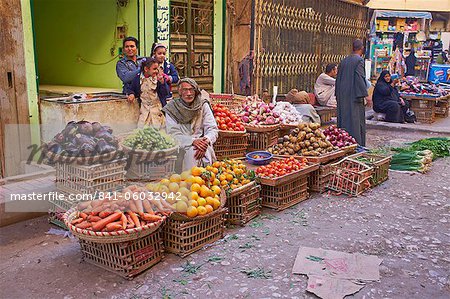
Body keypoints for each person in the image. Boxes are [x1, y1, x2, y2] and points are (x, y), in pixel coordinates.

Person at [162, 78, 218, 171]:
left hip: (202, 143)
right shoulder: (172, 108)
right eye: (185, 90)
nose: (189, 93)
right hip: (181, 145)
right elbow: (172, 134)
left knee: (207, 155)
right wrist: (192, 141)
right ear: (180, 92)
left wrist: (206, 140)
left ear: (196, 91)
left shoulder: (203, 105)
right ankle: (191, 181)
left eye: (191, 89)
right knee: (192, 153)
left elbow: (212, 128)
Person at [335, 39, 369, 146]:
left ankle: (342, 142)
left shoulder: (344, 61)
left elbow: (338, 79)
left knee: (344, 119)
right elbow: (359, 78)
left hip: (343, 94)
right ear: (362, 48)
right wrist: (365, 94)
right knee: (355, 121)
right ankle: (355, 144)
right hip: (354, 96)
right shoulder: (359, 61)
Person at [125, 57, 170, 128]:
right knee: (143, 128)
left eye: (157, 69)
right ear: (146, 69)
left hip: (157, 109)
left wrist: (162, 83)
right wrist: (131, 94)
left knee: (158, 128)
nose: (157, 71)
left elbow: (165, 93)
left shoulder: (158, 79)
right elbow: (131, 88)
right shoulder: (138, 79)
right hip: (144, 109)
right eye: (154, 69)